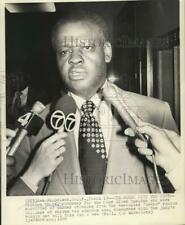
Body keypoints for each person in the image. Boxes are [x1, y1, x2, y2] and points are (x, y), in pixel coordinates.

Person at [7, 11, 178, 195]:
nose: (74, 58)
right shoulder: (35, 125)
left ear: (107, 52)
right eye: (64, 51)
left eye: (87, 47)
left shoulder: (156, 113)